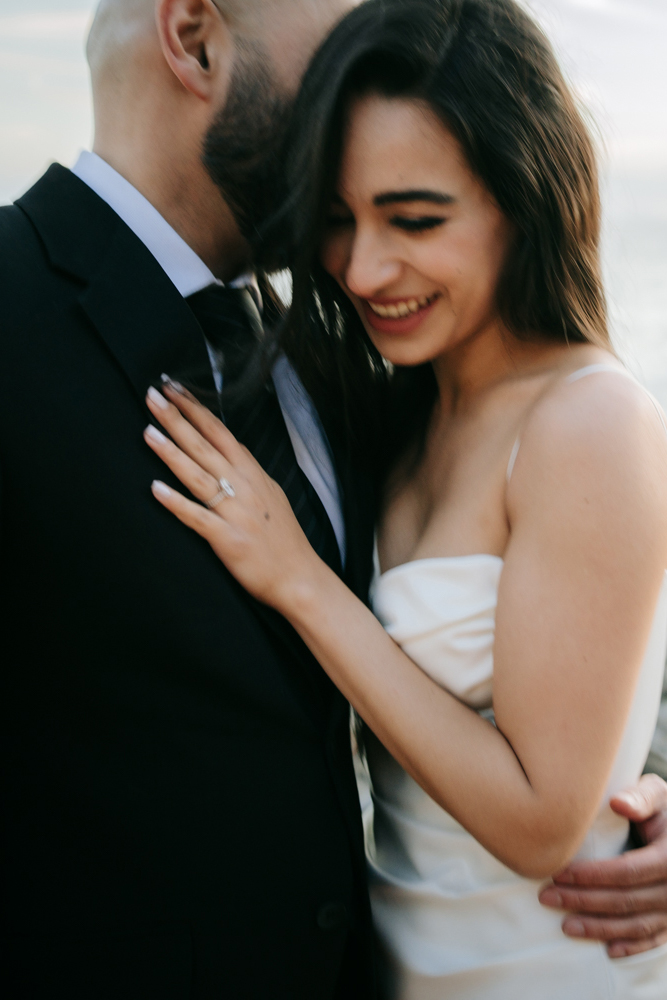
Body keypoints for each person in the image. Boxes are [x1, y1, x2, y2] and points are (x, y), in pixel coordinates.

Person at [141, 0, 667, 995]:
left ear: (523, 197)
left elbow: (538, 821)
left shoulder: (587, 423)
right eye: (338, 218)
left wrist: (298, 578)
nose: (364, 268)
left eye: (415, 219)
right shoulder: (398, 412)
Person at [0, 1, 379, 997]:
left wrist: (604, 807)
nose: (385, 96)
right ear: (194, 39)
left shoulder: (343, 351)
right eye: (349, 56)